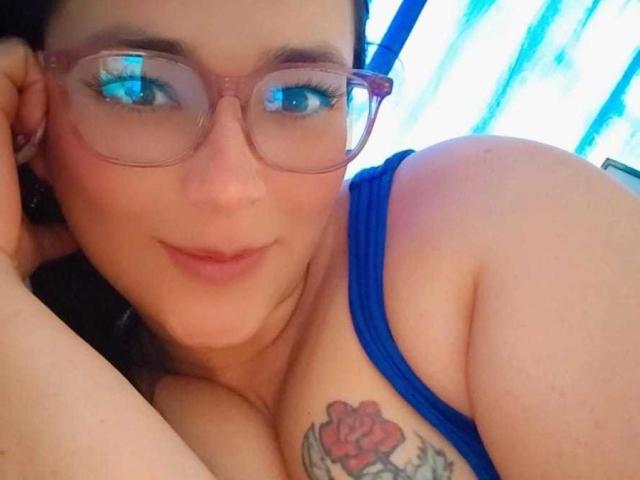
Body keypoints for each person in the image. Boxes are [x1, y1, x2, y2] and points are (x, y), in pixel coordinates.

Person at [0, 0, 638, 478]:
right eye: (139, 88)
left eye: (297, 96)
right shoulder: (53, 375)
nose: (230, 187)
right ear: (32, 122)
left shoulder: (496, 216)